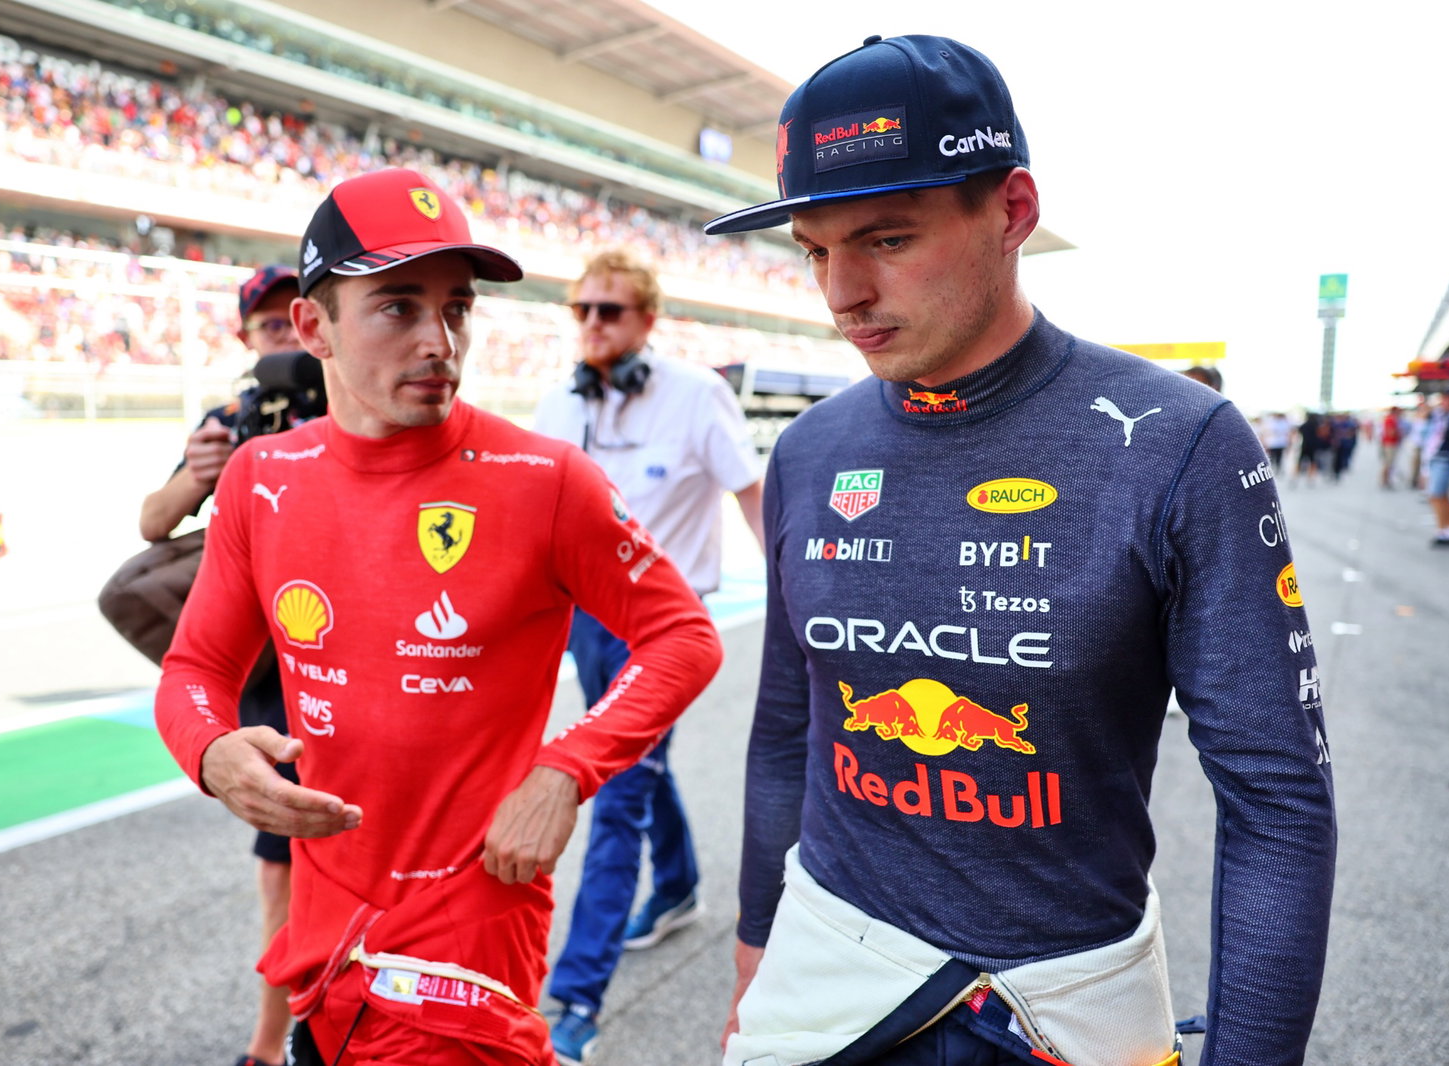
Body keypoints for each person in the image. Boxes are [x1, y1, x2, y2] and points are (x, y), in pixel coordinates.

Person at [702, 34, 1335, 1066]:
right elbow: (785, 722)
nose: (840, 292)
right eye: (814, 250)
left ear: (1012, 211)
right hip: (828, 966)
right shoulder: (812, 449)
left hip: (1073, 989)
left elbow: (1277, 802)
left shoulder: (1180, 442)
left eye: (886, 240)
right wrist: (753, 942)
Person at [153, 167, 722, 1066]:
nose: (439, 341)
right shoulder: (262, 478)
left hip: (470, 936)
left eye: (457, 308)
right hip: (324, 935)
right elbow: (193, 674)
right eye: (398, 307)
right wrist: (212, 752)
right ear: (314, 327)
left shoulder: (546, 479)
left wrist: (565, 771)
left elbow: (683, 636)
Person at [530, 249, 766, 1064]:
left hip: (664, 630)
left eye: (611, 311)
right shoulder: (559, 399)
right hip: (584, 625)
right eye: (583, 310)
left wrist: (805, 607)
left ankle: (575, 1001)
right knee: (641, 769)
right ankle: (677, 887)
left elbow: (752, 496)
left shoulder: (699, 394)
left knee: (617, 789)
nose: (593, 324)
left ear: (647, 320)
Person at [139, 263, 305, 1066]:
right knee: (279, 871)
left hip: (374, 660)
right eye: (267, 327)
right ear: (247, 337)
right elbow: (151, 521)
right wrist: (200, 472)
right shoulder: (230, 419)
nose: (283, 340)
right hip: (273, 680)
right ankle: (269, 1047)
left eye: (292, 321)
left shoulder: (357, 396)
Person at [1422, 392, 1449, 546]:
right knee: (1440, 495)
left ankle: (1446, 529)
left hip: (1445, 458)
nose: (1443, 402)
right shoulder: (1443, 415)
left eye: (1446, 399)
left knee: (1437, 494)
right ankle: (1446, 528)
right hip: (1438, 456)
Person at [1378, 405, 1403, 488]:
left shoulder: (1392, 419)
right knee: (1388, 463)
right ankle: (1385, 481)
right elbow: (1390, 433)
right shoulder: (1390, 420)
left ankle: (1386, 480)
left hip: (1390, 443)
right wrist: (1399, 433)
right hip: (1390, 444)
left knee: (1389, 463)